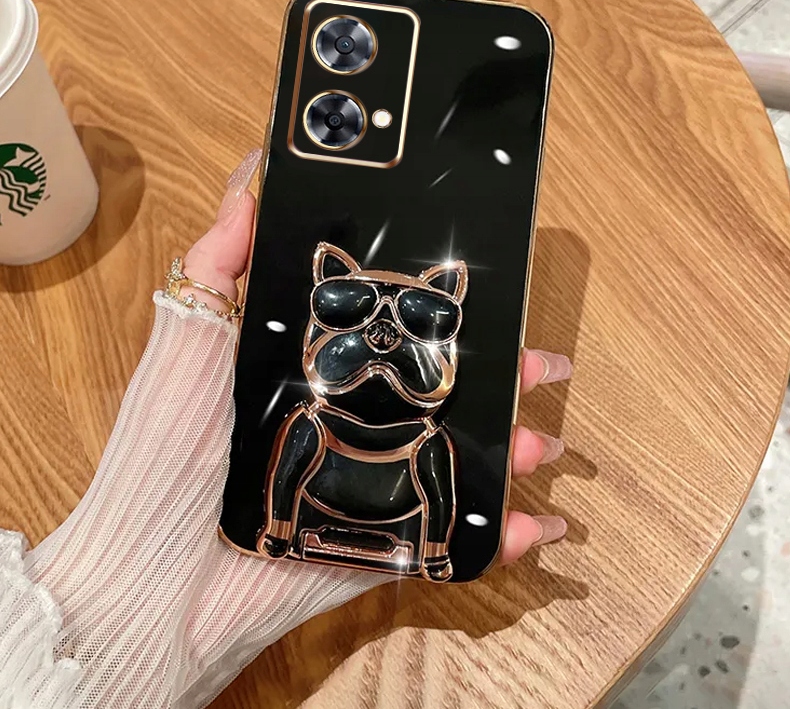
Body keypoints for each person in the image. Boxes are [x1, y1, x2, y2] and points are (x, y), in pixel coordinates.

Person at [0, 152, 572, 708]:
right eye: (354, 316)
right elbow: (289, 475)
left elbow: (438, 494)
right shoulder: (312, 422)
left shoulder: (425, 441)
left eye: (411, 326)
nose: (380, 339)